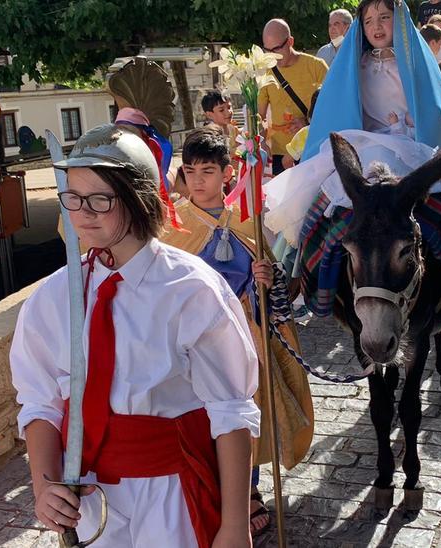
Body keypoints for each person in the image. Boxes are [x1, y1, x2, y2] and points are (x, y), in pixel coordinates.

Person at [12, 124, 261, 548]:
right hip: (89, 502)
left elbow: (231, 410)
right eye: (72, 198)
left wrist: (234, 526)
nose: (82, 213)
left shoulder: (191, 290)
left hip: (170, 497)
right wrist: (43, 486)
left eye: (100, 200)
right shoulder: (54, 297)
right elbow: (40, 402)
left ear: (139, 200)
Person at [263, 0, 441, 326]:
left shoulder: (416, 64)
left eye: (384, 18)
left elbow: (434, 116)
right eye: (368, 20)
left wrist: (406, 125)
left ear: (400, 21)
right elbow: (340, 114)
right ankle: (307, 290)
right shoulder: (354, 66)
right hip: (363, 148)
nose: (377, 26)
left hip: (410, 151)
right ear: (360, 27)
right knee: (320, 214)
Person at [163, 129, 316, 538]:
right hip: (194, 339)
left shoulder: (248, 220)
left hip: (245, 332)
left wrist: (266, 278)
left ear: (228, 173)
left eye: (208, 171)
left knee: (246, 410)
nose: (198, 180)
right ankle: (204, 486)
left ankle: (246, 490)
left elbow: (274, 284)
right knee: (199, 414)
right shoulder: (172, 225)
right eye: (190, 171)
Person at [258, 19, 330, 175]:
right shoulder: (265, 71)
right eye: (267, 51)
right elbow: (259, 116)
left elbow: (333, 108)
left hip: (312, 150)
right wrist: (261, 141)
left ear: (290, 41)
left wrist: (307, 122)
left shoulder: (316, 66)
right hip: (280, 154)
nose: (273, 57)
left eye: (277, 49)